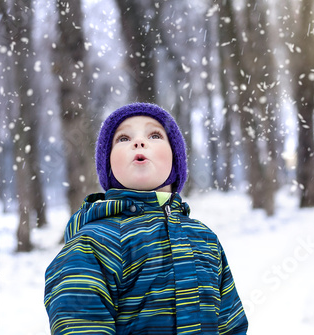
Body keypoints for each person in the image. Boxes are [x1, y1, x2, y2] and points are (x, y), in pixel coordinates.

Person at [44, 102, 248, 334]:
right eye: (123, 138)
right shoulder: (93, 244)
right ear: (109, 166)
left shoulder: (205, 239)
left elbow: (231, 325)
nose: (139, 142)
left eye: (154, 135)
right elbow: (79, 325)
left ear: (175, 160)